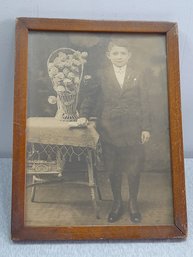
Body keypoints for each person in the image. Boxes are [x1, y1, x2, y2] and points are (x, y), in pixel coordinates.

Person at [77, 38, 150, 223]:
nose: (119, 57)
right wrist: (84, 115)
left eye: (123, 53)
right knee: (113, 169)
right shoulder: (101, 74)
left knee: (133, 168)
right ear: (108, 56)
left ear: (129, 56)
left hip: (133, 129)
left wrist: (146, 127)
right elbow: (91, 97)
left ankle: (133, 203)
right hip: (109, 129)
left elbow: (145, 102)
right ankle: (117, 203)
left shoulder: (138, 74)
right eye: (115, 53)